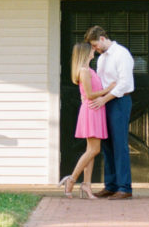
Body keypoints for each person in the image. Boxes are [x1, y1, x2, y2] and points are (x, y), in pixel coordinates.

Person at [84, 24, 135, 199]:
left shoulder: (122, 54)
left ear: (103, 38)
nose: (95, 49)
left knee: (119, 144)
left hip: (119, 101)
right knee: (106, 145)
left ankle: (124, 188)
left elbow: (124, 83)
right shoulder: (101, 58)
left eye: (95, 45)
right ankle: (111, 185)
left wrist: (104, 99)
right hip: (103, 101)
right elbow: (101, 82)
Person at [58, 42, 112, 198]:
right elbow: (89, 94)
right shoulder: (84, 71)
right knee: (94, 149)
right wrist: (109, 89)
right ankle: (72, 179)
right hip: (92, 110)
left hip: (96, 109)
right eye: (91, 49)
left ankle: (86, 185)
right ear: (85, 53)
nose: (93, 51)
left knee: (91, 150)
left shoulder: (90, 70)